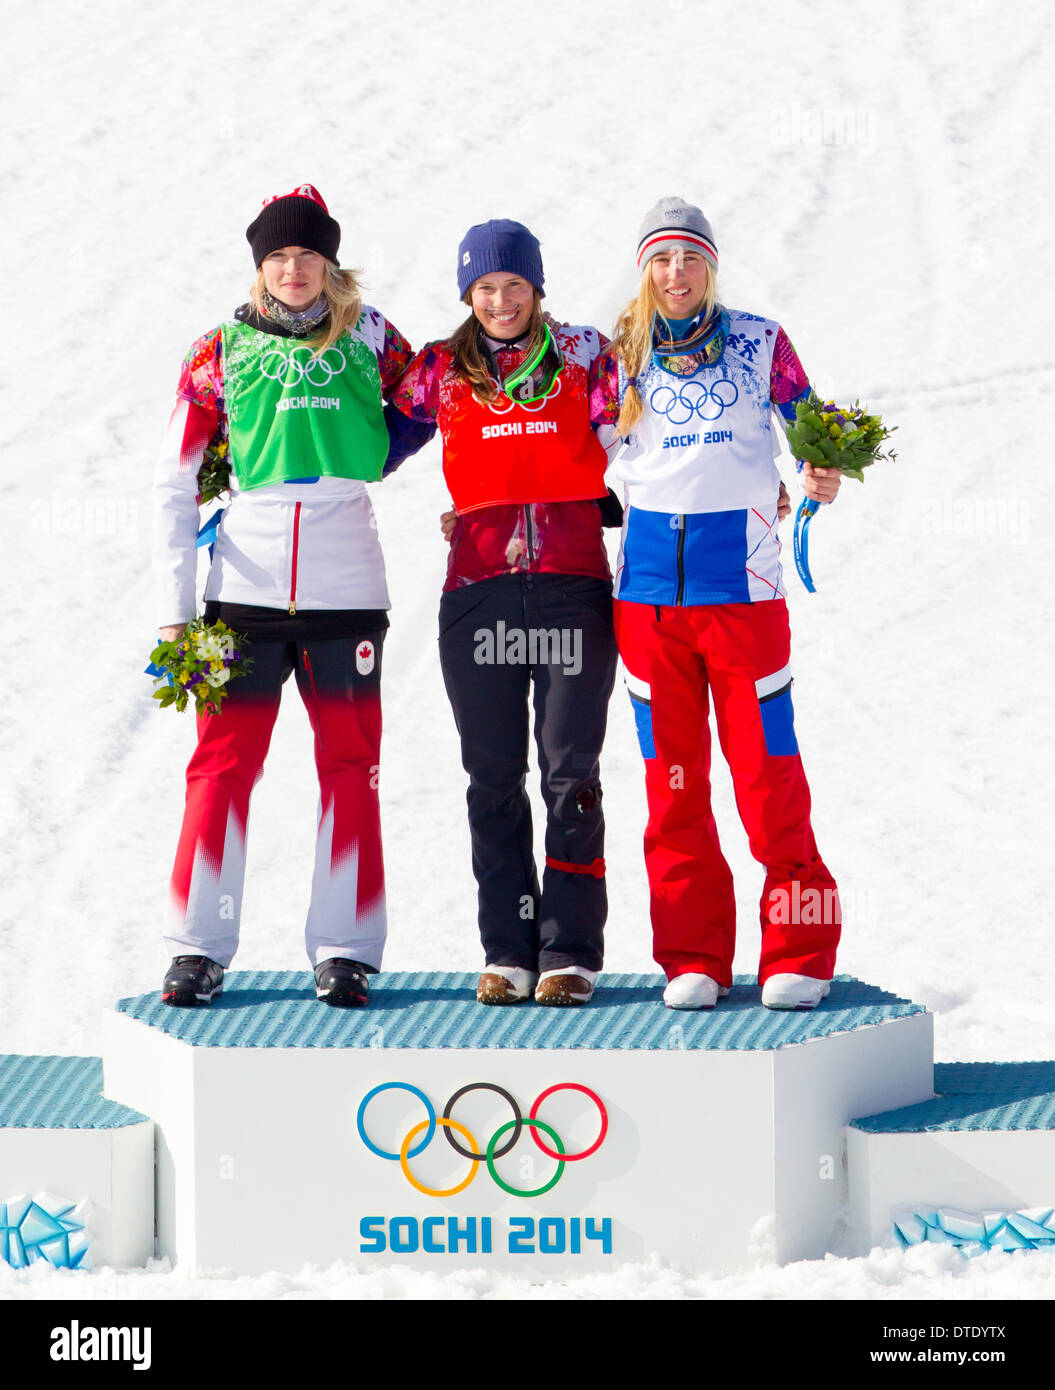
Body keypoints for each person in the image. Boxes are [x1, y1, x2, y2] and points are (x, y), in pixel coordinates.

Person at [153, 184, 413, 1008]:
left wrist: (372, 455)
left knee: (350, 769)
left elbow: (439, 404)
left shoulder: (373, 334)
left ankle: (345, 948)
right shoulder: (218, 347)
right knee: (222, 768)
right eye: (278, 256)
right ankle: (198, 947)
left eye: (308, 254)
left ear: (330, 263)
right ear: (260, 265)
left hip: (346, 583)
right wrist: (175, 609)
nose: (294, 268)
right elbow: (173, 480)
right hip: (243, 590)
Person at [591, 197, 842, 1011]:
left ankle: (797, 947)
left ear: (711, 265)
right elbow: (570, 455)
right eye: (661, 260)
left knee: (769, 779)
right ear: (643, 270)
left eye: (689, 258)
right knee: (673, 788)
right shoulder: (616, 354)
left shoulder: (759, 341)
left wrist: (820, 470)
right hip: (648, 601)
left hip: (744, 597)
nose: (675, 275)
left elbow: (810, 426)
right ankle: (692, 953)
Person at [386, 219, 619, 1006]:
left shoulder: (585, 354)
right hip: (478, 593)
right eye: (484, 287)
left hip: (571, 586)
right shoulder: (440, 369)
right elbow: (368, 444)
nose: (499, 300)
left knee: (569, 774)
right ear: (466, 293)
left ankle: (569, 953)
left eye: (513, 285)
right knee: (491, 778)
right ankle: (507, 947)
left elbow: (645, 443)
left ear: (536, 288)